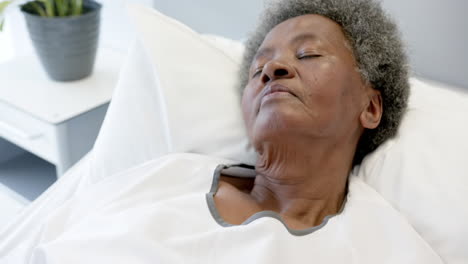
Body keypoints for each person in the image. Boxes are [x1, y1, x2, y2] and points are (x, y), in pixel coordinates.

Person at [0, 0, 443, 263]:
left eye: (308, 54)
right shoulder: (162, 177)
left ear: (369, 106)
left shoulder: (387, 248)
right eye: (258, 68)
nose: (273, 68)